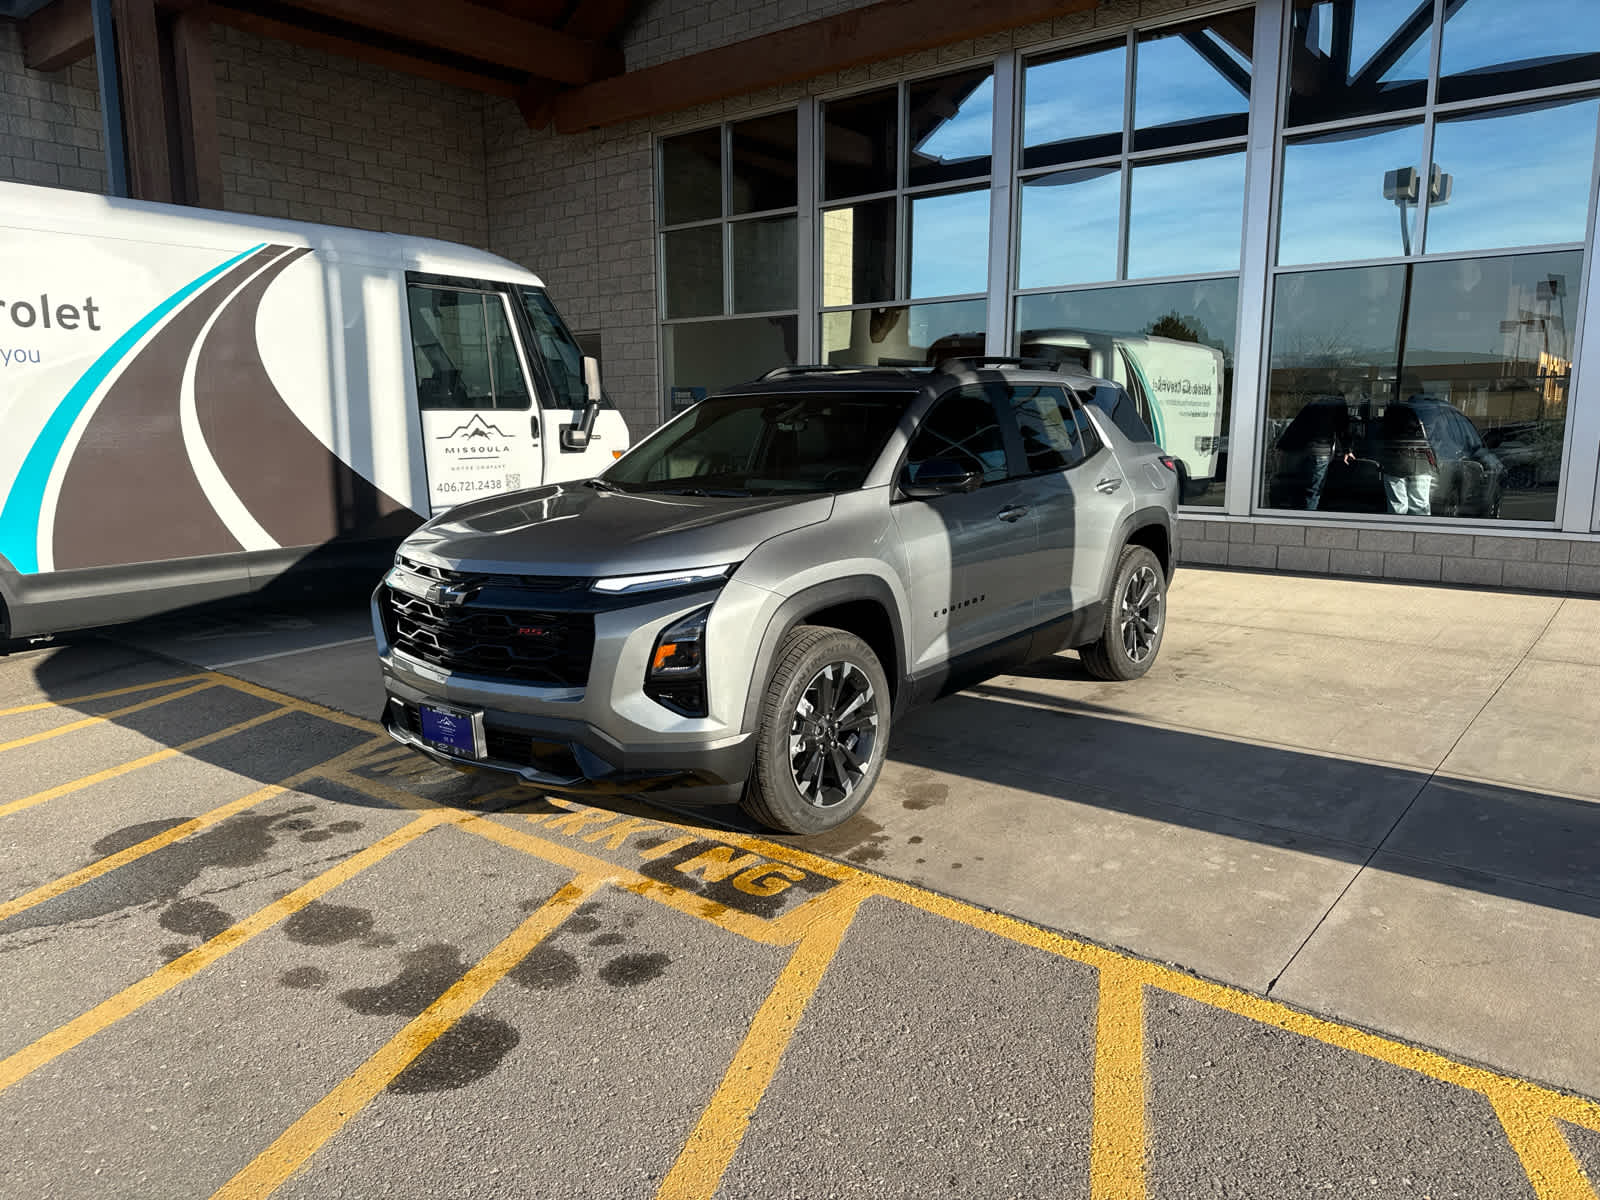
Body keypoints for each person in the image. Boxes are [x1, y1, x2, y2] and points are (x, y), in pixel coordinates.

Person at [1376, 399, 1437, 516]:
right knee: (1420, 506)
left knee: (1397, 506)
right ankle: (1420, 531)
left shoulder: (1389, 421)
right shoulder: (1424, 420)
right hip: (1420, 463)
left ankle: (1398, 531)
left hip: (1395, 463)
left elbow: (1380, 439)